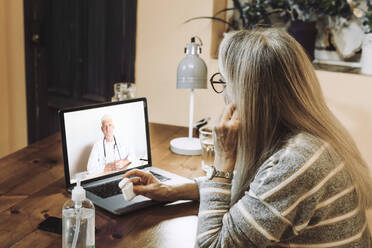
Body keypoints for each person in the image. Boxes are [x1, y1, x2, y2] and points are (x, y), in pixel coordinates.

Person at [123, 28, 372, 247]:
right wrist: (172, 190)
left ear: (250, 97)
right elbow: (258, 190)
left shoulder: (296, 162)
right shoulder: (303, 140)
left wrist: (222, 163)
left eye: (224, 82)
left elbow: (212, 245)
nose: (223, 95)